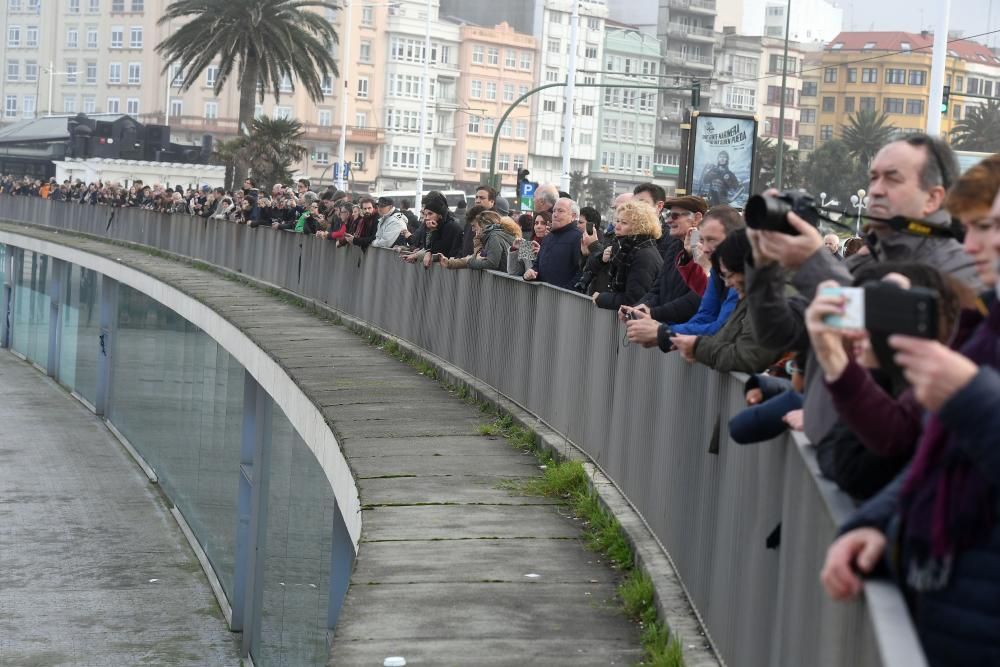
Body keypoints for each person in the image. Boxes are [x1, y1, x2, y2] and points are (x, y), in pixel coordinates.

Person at [820, 181, 1000, 666]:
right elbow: (936, 458)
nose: (971, 244)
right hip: (953, 611)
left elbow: (896, 440)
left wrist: (972, 397)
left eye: (989, 227)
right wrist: (878, 523)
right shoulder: (985, 331)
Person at [745, 133, 982, 447]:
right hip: (836, 458)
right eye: (873, 177)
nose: (876, 190)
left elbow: (873, 333)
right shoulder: (864, 261)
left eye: (892, 179)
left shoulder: (958, 270)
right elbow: (778, 331)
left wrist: (813, 263)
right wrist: (764, 266)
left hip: (880, 465)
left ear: (933, 198)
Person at [669, 228, 782, 373]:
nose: (704, 248)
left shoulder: (766, 297)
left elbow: (746, 355)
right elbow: (720, 330)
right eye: (701, 240)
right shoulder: (749, 291)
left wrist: (667, 333)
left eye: (711, 240)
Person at [624, 193, 706, 332]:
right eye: (668, 215)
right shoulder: (674, 246)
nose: (668, 221)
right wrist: (637, 308)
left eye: (675, 216)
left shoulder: (706, 249)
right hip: (670, 333)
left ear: (696, 218)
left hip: (689, 336)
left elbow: (697, 298)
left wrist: (654, 313)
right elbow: (659, 288)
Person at [591, 200, 662, 310]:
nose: (617, 226)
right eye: (617, 221)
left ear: (640, 227)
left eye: (624, 223)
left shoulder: (643, 254)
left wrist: (602, 298)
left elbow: (634, 299)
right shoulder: (626, 248)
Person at [523, 198, 583, 289]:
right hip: (542, 297)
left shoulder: (578, 238)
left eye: (560, 211)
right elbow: (537, 266)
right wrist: (530, 273)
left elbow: (581, 272)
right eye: (554, 210)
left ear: (573, 216)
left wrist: (565, 292)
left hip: (565, 300)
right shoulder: (547, 238)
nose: (555, 214)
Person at [440, 210, 516, 272]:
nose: (473, 230)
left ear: (482, 224)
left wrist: (471, 262)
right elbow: (480, 257)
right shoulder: (493, 236)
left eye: (474, 226)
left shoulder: (494, 236)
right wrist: (450, 263)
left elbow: (492, 263)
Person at [508, 211, 550, 277]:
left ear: (550, 225)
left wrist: (542, 254)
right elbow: (514, 272)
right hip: (529, 286)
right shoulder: (529, 246)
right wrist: (514, 249)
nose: (538, 226)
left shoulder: (555, 246)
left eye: (543, 223)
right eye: (536, 223)